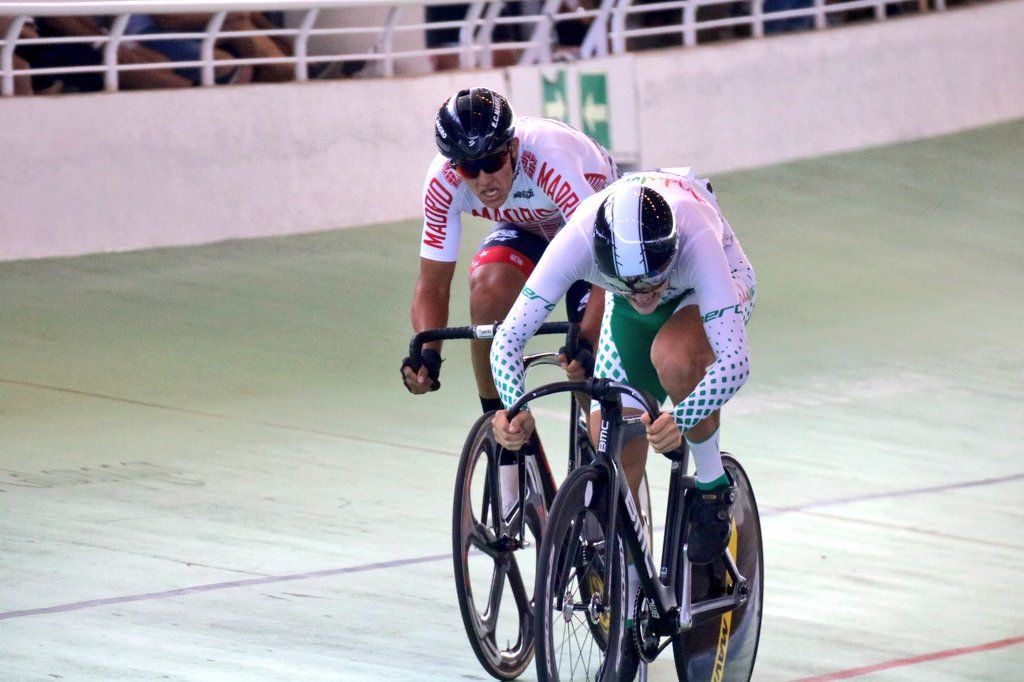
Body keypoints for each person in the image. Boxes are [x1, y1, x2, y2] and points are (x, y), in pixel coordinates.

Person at [489, 168, 756, 565]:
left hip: (714, 287)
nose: (643, 295)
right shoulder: (577, 240)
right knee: (611, 442)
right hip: (626, 313)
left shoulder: (696, 235)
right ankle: (629, 590)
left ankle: (712, 485)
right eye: (629, 283)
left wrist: (680, 418)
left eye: (651, 281)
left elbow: (735, 361)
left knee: (675, 356)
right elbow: (507, 341)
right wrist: (515, 410)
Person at [401, 87, 618, 415]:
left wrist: (587, 337)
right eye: (469, 169)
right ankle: (500, 422)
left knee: (590, 358)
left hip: (594, 233)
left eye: (493, 161)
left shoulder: (552, 160)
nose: (484, 179)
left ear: (513, 148)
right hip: (526, 228)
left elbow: (607, 264)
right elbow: (432, 283)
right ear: (453, 165)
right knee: (488, 289)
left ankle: (602, 441)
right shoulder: (442, 182)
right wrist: (428, 351)